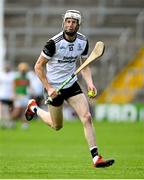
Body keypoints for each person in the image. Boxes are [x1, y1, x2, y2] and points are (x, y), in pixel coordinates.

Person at [25, 10, 114, 167]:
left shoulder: (83, 41)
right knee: (56, 125)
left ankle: (96, 158)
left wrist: (90, 83)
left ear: (78, 25)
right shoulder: (53, 43)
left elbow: (84, 66)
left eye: (74, 22)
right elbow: (38, 66)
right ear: (64, 23)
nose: (70, 24)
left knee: (86, 117)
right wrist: (49, 87)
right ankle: (34, 108)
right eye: (68, 21)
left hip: (71, 85)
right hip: (54, 87)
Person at [12, 62, 31, 129]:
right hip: (18, 95)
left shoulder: (27, 77)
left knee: (25, 111)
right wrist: (14, 95)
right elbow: (14, 87)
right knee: (17, 110)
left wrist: (31, 92)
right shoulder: (17, 77)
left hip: (25, 95)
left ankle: (24, 124)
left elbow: (29, 86)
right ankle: (12, 122)